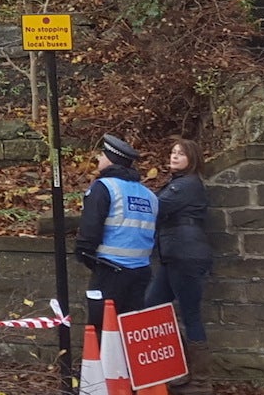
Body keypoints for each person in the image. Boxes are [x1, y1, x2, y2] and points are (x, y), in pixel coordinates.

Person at [146, 136, 212, 377]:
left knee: (190, 313)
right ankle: (168, 368)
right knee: (151, 306)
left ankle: (200, 378)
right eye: (173, 152)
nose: (174, 156)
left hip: (184, 254)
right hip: (175, 254)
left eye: (181, 154)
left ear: (192, 159)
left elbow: (156, 206)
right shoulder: (181, 183)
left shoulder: (186, 185)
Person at [75, 134, 157, 318]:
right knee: (130, 329)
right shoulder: (149, 195)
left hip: (109, 270)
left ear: (112, 160)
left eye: (103, 155)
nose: (99, 158)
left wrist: (84, 255)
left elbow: (90, 227)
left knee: (102, 326)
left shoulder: (104, 187)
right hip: (141, 272)